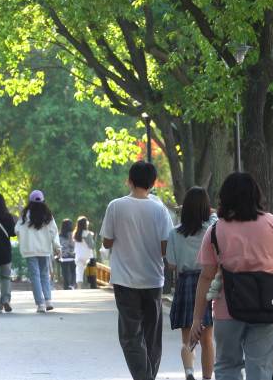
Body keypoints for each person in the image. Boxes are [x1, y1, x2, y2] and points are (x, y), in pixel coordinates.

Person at [189, 172, 273, 380]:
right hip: (267, 307)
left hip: (227, 309)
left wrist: (197, 317)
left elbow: (206, 277)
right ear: (256, 195)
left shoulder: (216, 230)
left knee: (226, 365)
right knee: (259, 366)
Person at [100, 161, 174, 380]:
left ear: (129, 181)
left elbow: (106, 242)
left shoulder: (116, 206)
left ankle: (144, 377)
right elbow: (165, 247)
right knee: (152, 336)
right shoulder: (160, 209)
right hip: (153, 279)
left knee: (131, 335)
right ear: (153, 184)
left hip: (125, 280)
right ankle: (148, 375)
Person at [166, 187, 216, 380]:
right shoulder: (211, 229)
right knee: (207, 339)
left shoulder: (174, 233)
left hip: (185, 283)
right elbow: (215, 218)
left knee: (187, 338)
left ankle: (188, 371)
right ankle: (206, 378)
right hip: (207, 281)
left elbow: (170, 264)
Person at [15, 190, 61, 313]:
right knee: (44, 275)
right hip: (44, 250)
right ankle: (48, 300)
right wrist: (57, 248)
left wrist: (25, 237)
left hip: (30, 250)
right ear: (43, 201)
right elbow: (54, 232)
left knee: (35, 277)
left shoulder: (25, 216)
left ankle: (40, 304)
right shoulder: (48, 216)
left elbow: (17, 230)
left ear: (30, 202)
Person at [73, 216, 95, 288]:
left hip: (78, 255)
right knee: (89, 273)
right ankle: (89, 286)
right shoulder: (87, 233)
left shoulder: (75, 234)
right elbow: (91, 246)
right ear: (85, 224)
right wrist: (92, 237)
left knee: (79, 271)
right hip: (88, 256)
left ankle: (79, 287)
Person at [59, 219, 76, 290]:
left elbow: (58, 246)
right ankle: (72, 285)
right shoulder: (73, 234)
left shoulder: (59, 235)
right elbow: (73, 245)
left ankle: (66, 287)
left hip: (63, 257)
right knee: (73, 271)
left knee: (65, 272)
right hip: (72, 256)